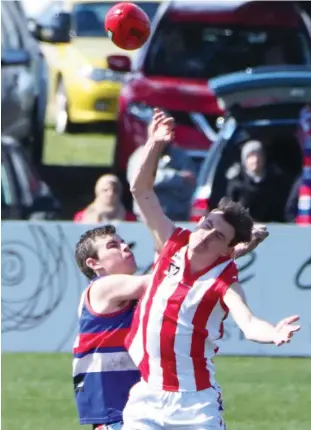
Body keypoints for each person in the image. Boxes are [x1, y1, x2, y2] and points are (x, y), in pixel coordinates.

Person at [122, 109, 301, 430]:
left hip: (194, 404)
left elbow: (248, 325)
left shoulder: (224, 281)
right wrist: (155, 144)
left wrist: (273, 333)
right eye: (206, 225)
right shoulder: (172, 243)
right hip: (147, 394)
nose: (204, 235)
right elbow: (141, 191)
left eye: (217, 235)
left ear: (228, 250)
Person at [73, 225, 150, 430]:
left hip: (133, 408)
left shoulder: (126, 293)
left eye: (123, 242)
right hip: (116, 412)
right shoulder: (102, 287)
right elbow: (163, 283)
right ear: (94, 263)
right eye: (113, 245)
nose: (125, 247)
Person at [127, 139, 196, 221]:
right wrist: (177, 177)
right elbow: (142, 179)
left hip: (177, 217)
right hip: (146, 219)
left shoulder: (180, 155)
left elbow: (190, 180)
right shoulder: (141, 154)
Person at [226, 140, 288, 222]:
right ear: (244, 160)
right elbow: (230, 210)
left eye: (259, 155)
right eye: (251, 156)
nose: (255, 160)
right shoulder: (236, 182)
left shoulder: (275, 181)